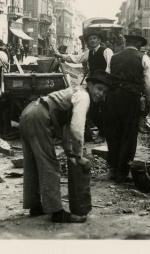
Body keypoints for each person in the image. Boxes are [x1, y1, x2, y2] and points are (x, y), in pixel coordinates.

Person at [19, 70, 112, 223]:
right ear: (89, 85)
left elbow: (67, 128)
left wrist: (70, 152)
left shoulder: (77, 92)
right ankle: (56, 211)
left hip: (29, 112)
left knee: (33, 163)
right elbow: (76, 128)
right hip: (39, 116)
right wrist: (79, 155)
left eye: (105, 92)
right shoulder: (84, 96)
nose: (101, 94)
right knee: (50, 164)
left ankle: (34, 205)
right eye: (99, 89)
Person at [105, 33, 150, 182]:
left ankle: (113, 169)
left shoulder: (114, 57)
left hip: (113, 98)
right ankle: (123, 171)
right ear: (139, 44)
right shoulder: (143, 57)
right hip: (131, 99)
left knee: (114, 132)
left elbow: (107, 77)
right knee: (129, 134)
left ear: (126, 42)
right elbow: (149, 86)